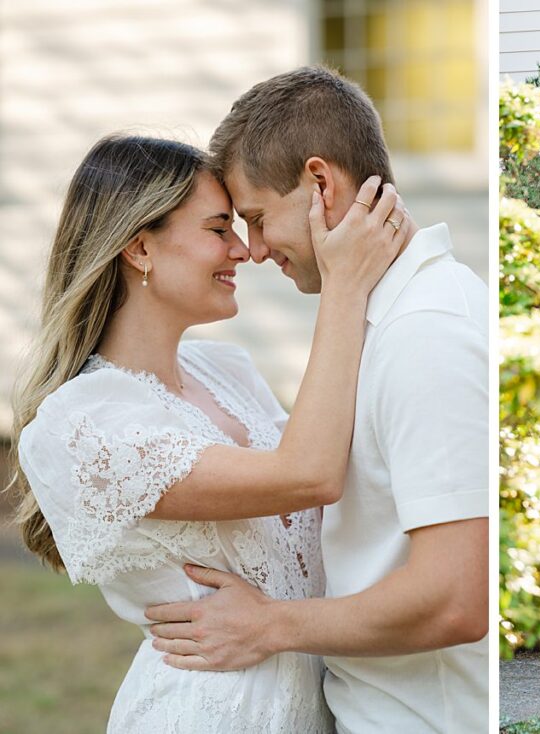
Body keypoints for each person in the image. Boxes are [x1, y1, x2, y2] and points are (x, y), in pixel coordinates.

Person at [10, 134, 406, 731]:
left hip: (315, 703)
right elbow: (310, 474)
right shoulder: (82, 423)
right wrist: (343, 283)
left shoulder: (227, 371)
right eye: (219, 229)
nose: (244, 251)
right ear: (140, 248)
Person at [143, 67, 489, 734]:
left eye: (257, 218)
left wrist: (268, 625)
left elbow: (454, 597)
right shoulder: (380, 319)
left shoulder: (426, 334)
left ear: (320, 183)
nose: (256, 249)